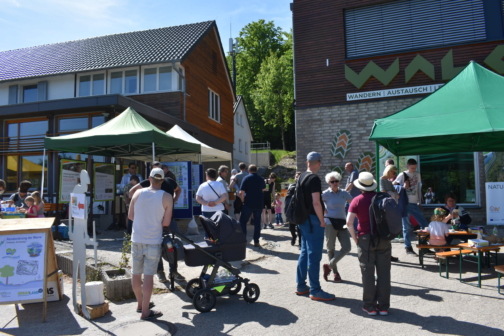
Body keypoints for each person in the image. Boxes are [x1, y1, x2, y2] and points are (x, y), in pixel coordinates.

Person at [129, 162, 184, 283]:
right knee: (156, 246)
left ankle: (173, 271)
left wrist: (174, 199)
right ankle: (160, 272)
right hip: (154, 220)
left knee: (173, 245)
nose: (157, 171)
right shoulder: (146, 182)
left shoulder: (169, 181)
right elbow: (132, 191)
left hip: (169, 220)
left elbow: (178, 189)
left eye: (159, 168)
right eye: (155, 169)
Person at [129, 167, 172, 320]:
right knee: (148, 276)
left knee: (136, 273)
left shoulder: (137, 193)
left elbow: (131, 216)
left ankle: (140, 304)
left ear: (149, 178)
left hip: (136, 239)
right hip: (153, 240)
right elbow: (166, 222)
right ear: (163, 180)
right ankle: (146, 311)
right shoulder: (167, 197)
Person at [347, 172, 391, 316]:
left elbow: (349, 223)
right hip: (383, 239)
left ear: (360, 186)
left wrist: (355, 239)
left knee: (368, 274)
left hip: (365, 239)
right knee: (384, 274)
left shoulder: (357, 200)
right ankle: (383, 307)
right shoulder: (383, 198)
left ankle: (370, 306)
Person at [296, 152, 335, 301]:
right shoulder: (314, 178)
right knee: (314, 255)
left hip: (302, 219)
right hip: (313, 220)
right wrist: (322, 220)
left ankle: (301, 286)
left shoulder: (301, 177)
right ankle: (315, 290)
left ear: (307, 163)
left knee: (305, 252)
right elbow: (316, 202)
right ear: (319, 163)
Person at [322, 171, 352, 283]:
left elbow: (353, 203)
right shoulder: (325, 194)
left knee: (347, 247)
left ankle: (329, 265)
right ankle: (335, 273)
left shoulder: (344, 192)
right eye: (332, 181)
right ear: (329, 182)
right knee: (331, 248)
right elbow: (315, 201)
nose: (335, 183)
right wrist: (322, 209)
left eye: (336, 181)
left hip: (342, 222)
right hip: (329, 222)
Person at [393, 158, 427, 255]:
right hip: (405, 203)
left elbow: (418, 188)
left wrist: (419, 201)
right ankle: (408, 247)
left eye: (415, 168)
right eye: (412, 168)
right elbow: (393, 186)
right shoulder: (402, 175)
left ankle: (424, 245)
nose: (413, 170)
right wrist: (403, 187)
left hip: (414, 203)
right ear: (407, 166)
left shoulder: (417, 174)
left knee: (424, 224)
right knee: (406, 227)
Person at [239, 165, 266, 247]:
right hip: (258, 203)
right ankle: (256, 241)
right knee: (257, 222)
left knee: (243, 221)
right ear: (256, 170)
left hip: (248, 203)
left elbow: (241, 192)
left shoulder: (246, 178)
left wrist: (242, 201)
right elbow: (264, 189)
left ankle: (243, 240)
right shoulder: (261, 179)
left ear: (248, 170)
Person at [285, 172, 302, 246]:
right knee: (291, 227)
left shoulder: (303, 186)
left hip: (299, 208)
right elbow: (287, 199)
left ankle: (300, 242)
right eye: (296, 176)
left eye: (299, 176)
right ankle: (294, 236)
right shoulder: (291, 186)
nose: (297, 178)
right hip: (291, 208)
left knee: (299, 227)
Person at [344, 162, 360, 230]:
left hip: (353, 197)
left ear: (351, 166)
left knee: (352, 212)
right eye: (345, 166)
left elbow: (351, 184)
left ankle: (354, 228)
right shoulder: (352, 173)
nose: (345, 168)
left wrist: (344, 191)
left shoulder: (353, 173)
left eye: (347, 166)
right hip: (351, 196)